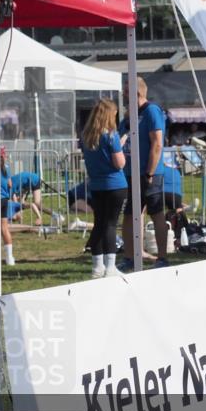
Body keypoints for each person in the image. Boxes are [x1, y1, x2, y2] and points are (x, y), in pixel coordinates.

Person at [118, 76, 168, 271]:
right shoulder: (129, 116)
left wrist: (149, 172)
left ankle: (162, 257)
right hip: (130, 173)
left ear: (136, 92)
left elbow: (157, 143)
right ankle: (130, 256)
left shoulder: (151, 111)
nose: (123, 94)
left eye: (126, 91)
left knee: (156, 214)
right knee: (130, 215)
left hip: (150, 173)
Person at [80, 99, 128, 278]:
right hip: (115, 185)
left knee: (99, 224)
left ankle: (97, 266)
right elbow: (119, 163)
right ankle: (110, 267)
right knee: (110, 225)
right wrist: (120, 150)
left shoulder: (86, 137)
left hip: (96, 186)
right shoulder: (111, 135)